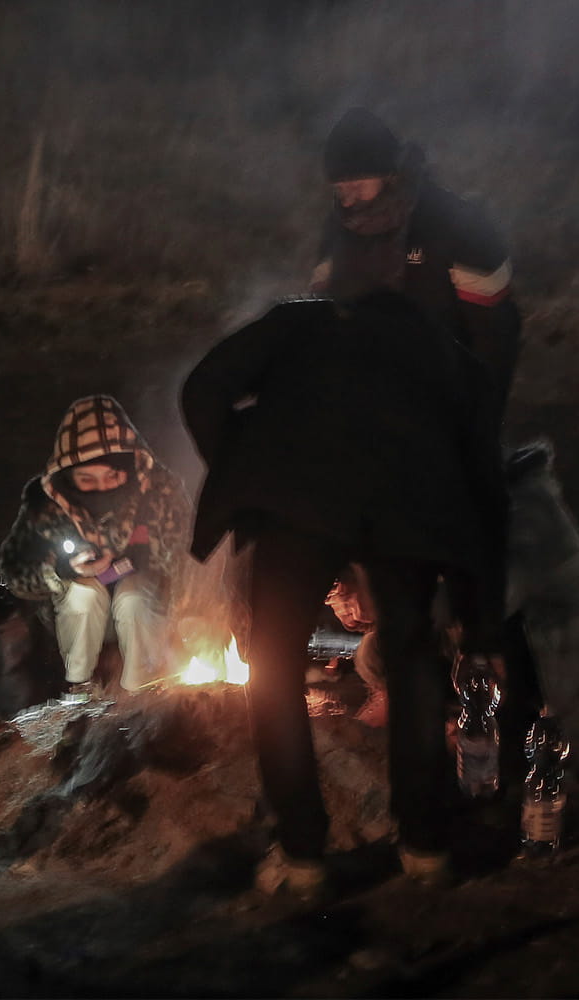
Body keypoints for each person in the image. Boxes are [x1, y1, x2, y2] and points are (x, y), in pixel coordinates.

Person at [181, 290, 509, 894]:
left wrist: (245, 465)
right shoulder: (449, 352)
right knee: (412, 658)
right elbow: (485, 487)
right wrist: (481, 622)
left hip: (298, 501)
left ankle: (302, 855)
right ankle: (425, 848)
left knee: (275, 664)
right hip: (405, 509)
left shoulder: (302, 320)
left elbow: (202, 388)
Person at [310, 107, 522, 428]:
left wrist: (479, 420)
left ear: (390, 175)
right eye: (341, 190)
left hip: (444, 396)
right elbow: (324, 313)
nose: (349, 201)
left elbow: (495, 336)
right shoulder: (338, 230)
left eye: (357, 187)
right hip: (364, 396)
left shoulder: (455, 227)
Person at [0, 395, 191, 702]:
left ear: (129, 469)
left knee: (134, 599)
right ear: (67, 477)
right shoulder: (45, 506)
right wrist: (63, 569)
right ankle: (79, 689)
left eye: (111, 476)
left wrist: (141, 558)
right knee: (83, 596)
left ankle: (142, 691)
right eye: (87, 479)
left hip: (148, 605)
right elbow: (15, 570)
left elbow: (187, 558)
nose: (101, 487)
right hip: (75, 616)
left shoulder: (158, 493)